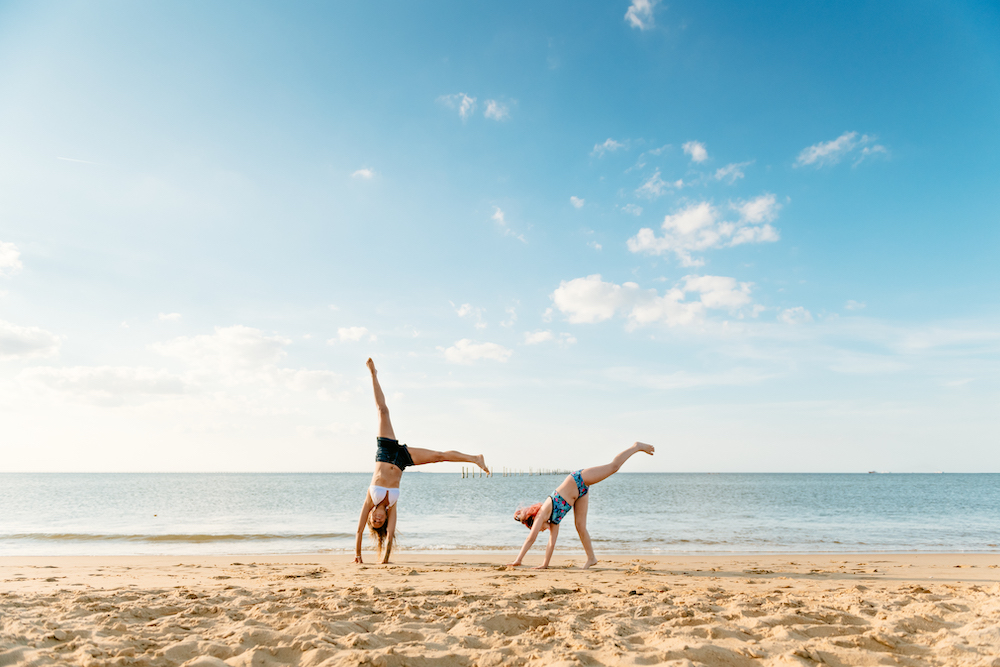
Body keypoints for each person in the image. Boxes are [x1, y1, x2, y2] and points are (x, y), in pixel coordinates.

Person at [354, 358, 490, 564]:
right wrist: (384, 559)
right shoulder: (392, 506)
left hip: (385, 451)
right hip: (401, 460)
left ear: (372, 516)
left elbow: (358, 530)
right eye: (379, 523)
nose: (377, 520)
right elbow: (390, 536)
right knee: (438, 457)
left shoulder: (369, 500)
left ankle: (373, 374)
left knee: (383, 411)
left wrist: (358, 554)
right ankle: (474, 458)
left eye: (374, 521)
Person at [509, 442, 654, 569]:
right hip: (580, 493)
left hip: (578, 479)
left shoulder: (542, 514)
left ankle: (636, 447)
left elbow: (530, 538)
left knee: (613, 467)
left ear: (534, 520)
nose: (540, 531)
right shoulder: (554, 520)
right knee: (580, 526)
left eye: (536, 528)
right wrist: (545, 564)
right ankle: (592, 558)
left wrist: (518, 560)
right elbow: (551, 543)